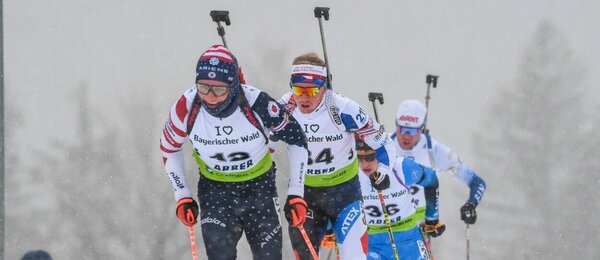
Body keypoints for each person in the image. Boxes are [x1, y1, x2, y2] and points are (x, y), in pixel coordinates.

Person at [160, 45, 310, 260]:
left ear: (234, 85)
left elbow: (297, 139)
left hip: (259, 190)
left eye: (219, 89)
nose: (210, 96)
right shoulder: (185, 106)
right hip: (216, 192)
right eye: (203, 87)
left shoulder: (257, 103)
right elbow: (168, 147)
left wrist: (296, 193)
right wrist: (182, 196)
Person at [277, 53, 396, 259]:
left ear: (324, 87)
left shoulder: (343, 108)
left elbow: (383, 142)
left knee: (354, 256)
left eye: (312, 90)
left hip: (344, 193)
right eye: (298, 89)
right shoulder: (284, 108)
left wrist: (384, 171)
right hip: (305, 194)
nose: (304, 97)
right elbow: (262, 142)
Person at [392, 100, 486, 226]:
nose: (407, 136)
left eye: (412, 131)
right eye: (402, 129)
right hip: (387, 223)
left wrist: (471, 204)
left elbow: (477, 183)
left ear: (421, 129)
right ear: (396, 125)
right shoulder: (383, 146)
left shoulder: (435, 151)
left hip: (420, 225)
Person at [356, 134, 439, 260]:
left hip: (408, 238)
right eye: (360, 158)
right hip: (373, 243)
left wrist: (432, 218)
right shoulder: (352, 173)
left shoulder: (401, 167)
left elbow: (431, 179)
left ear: (381, 154)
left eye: (369, 157)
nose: (364, 163)